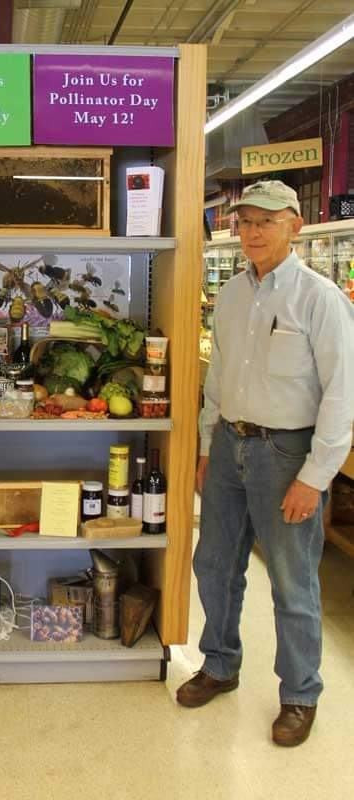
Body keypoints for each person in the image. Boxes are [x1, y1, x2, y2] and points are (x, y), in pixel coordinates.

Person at [177, 181, 354, 746]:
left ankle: (300, 694)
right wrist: (208, 448)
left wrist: (315, 477)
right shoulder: (230, 295)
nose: (252, 231)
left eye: (267, 221)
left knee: (291, 580)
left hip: (288, 454)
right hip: (230, 445)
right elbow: (217, 380)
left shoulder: (320, 298)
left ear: (295, 226)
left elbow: (341, 395)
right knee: (215, 565)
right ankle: (220, 664)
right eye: (246, 221)